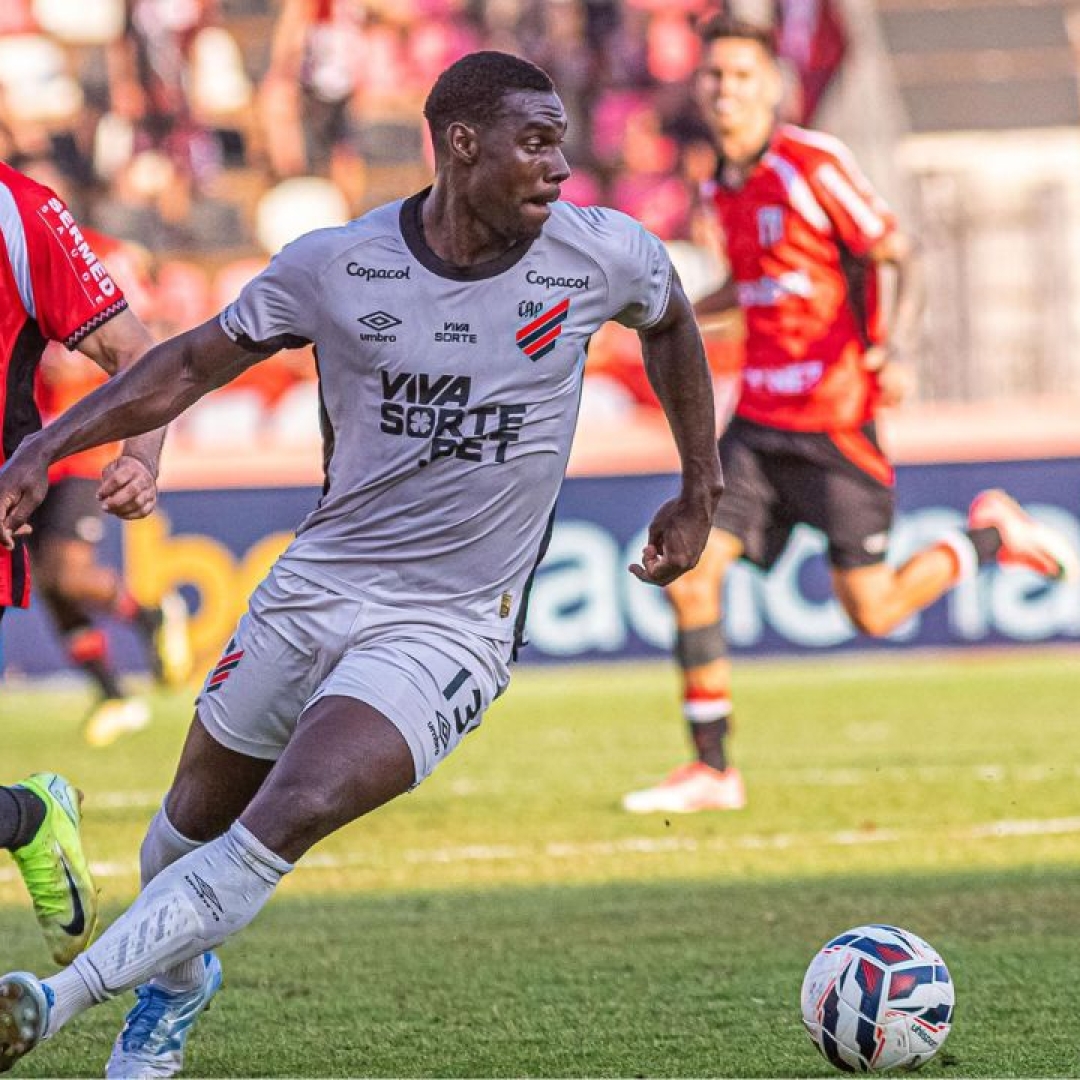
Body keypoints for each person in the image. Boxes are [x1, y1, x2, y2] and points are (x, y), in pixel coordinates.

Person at [0, 51, 723, 1077]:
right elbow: (188, 363)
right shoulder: (338, 266)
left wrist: (701, 488)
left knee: (288, 811)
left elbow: (674, 322)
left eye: (562, 143)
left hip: (453, 623)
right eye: (536, 143)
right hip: (317, 586)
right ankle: (179, 981)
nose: (561, 168)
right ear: (461, 145)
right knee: (177, 840)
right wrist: (44, 448)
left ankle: (55, 1003)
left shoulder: (598, 253)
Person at [621, 14, 1079, 817]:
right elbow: (750, 285)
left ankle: (991, 536)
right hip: (757, 424)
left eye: (741, 75)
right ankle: (713, 769)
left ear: (773, 86)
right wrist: (660, 312)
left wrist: (892, 348)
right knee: (692, 577)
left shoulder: (813, 163)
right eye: (714, 75)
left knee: (874, 610)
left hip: (835, 422)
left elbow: (898, 252)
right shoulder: (720, 183)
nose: (725, 90)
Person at [0, 159, 166, 965]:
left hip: (35, 480)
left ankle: (140, 631)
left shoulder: (22, 213)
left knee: (70, 582)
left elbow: (138, 353)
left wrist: (140, 456)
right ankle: (24, 817)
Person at [30, 224, 192, 748]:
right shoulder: (26, 248)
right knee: (46, 581)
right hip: (31, 441)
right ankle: (112, 694)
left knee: (67, 573)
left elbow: (143, 337)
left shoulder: (98, 253)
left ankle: (146, 613)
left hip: (82, 440)